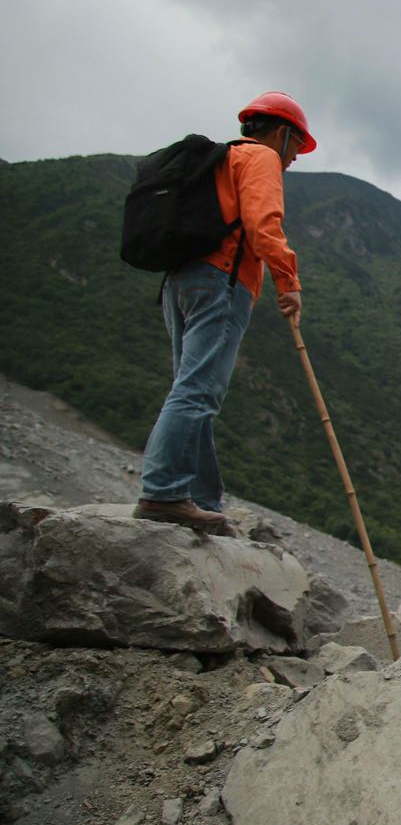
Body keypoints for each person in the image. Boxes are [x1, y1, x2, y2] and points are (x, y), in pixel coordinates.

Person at [133, 92, 312, 533]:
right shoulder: (260, 159)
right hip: (221, 283)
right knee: (198, 393)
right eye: (295, 147)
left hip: (180, 281)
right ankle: (163, 493)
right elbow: (263, 224)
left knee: (191, 390)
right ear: (283, 133)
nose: (292, 160)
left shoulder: (219, 160)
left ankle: (200, 499)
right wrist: (288, 283)